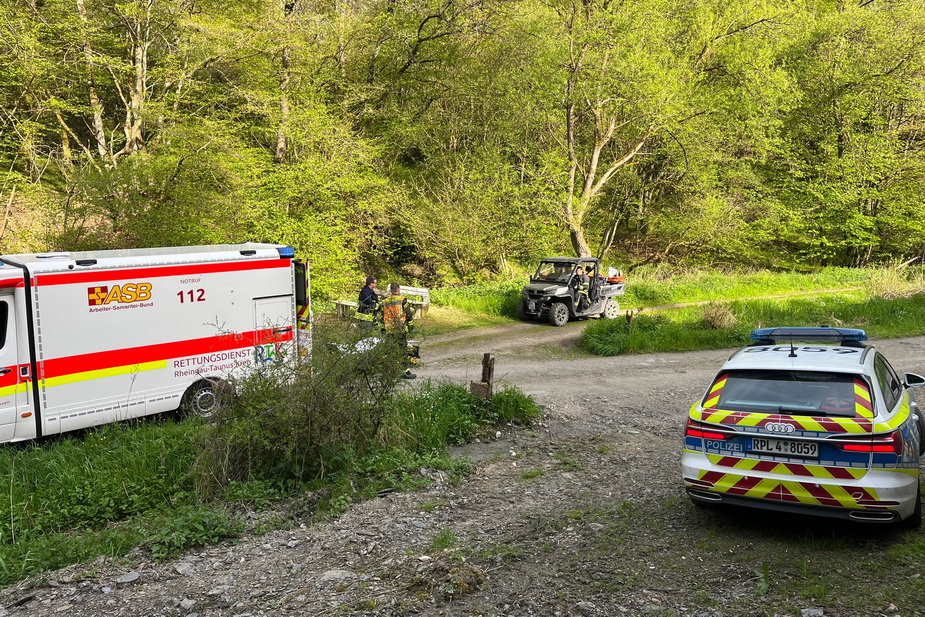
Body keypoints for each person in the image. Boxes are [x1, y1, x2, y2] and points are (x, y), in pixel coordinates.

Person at [379, 283, 416, 378]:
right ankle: (405, 372)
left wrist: (382, 329)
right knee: (402, 351)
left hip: (389, 329)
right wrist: (411, 327)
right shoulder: (402, 300)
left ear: (391, 290)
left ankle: (388, 372)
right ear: (398, 290)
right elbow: (408, 314)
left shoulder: (385, 302)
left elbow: (381, 317)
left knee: (389, 351)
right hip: (400, 329)